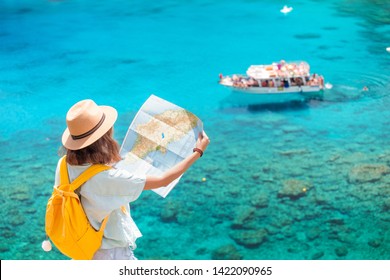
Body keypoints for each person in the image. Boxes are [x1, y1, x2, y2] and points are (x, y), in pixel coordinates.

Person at [56, 99, 210, 260]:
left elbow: (91, 181)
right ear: (105, 135)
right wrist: (198, 151)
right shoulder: (107, 178)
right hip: (111, 255)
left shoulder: (63, 165)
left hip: (83, 250)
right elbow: (163, 180)